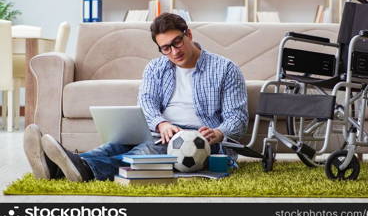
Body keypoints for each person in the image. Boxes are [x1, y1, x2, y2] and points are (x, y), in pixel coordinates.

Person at [24, 13, 248, 182]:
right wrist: (161, 123)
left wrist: (218, 132)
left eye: (177, 42)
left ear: (188, 34)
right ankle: (62, 167)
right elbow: (147, 102)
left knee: (143, 152)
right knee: (115, 145)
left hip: (199, 142)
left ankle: (80, 167)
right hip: (163, 131)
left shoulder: (225, 69)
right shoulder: (156, 67)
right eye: (165, 48)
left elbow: (237, 118)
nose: (174, 52)